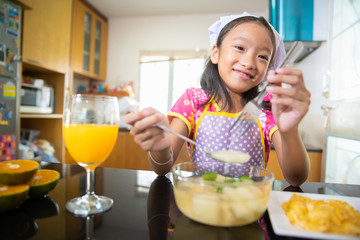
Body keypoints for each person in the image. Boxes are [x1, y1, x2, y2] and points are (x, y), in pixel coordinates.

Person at [125, 12, 310, 186]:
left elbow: (295, 179)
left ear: (269, 69)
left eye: (262, 57)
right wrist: (161, 147)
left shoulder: (269, 107)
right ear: (216, 53)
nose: (249, 63)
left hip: (247, 207)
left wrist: (290, 131)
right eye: (240, 48)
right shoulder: (193, 100)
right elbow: (162, 168)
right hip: (201, 203)